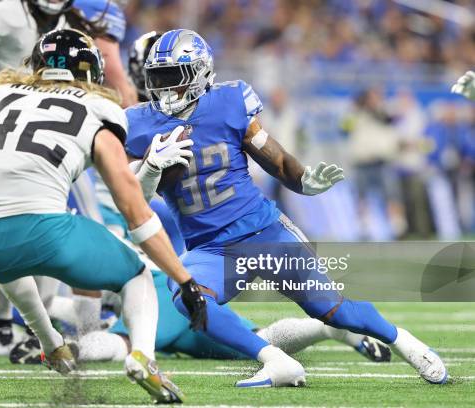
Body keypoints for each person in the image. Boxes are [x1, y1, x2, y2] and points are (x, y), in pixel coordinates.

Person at [0, 28, 207, 404]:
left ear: (36, 66)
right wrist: (185, 279)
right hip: (46, 231)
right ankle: (144, 358)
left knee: (7, 263)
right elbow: (135, 212)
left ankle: (50, 343)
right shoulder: (99, 113)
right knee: (137, 276)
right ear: (91, 73)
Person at [126, 29, 447, 387]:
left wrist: (303, 181)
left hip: (265, 232)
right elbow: (131, 198)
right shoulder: (138, 123)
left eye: (174, 78)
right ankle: (276, 361)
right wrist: (150, 167)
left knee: (333, 310)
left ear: (201, 74)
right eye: (159, 79)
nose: (165, 89)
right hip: (210, 248)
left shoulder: (229, 101)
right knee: (190, 298)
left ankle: (405, 341)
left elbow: (274, 159)